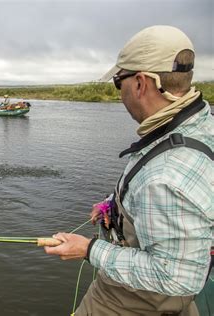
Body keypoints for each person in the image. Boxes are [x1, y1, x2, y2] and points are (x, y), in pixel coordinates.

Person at [43, 25, 213, 315]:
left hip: (131, 302)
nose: (119, 92)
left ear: (140, 83)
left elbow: (174, 277)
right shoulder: (197, 125)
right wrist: (115, 205)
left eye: (118, 82)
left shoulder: (165, 176)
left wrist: (88, 249)